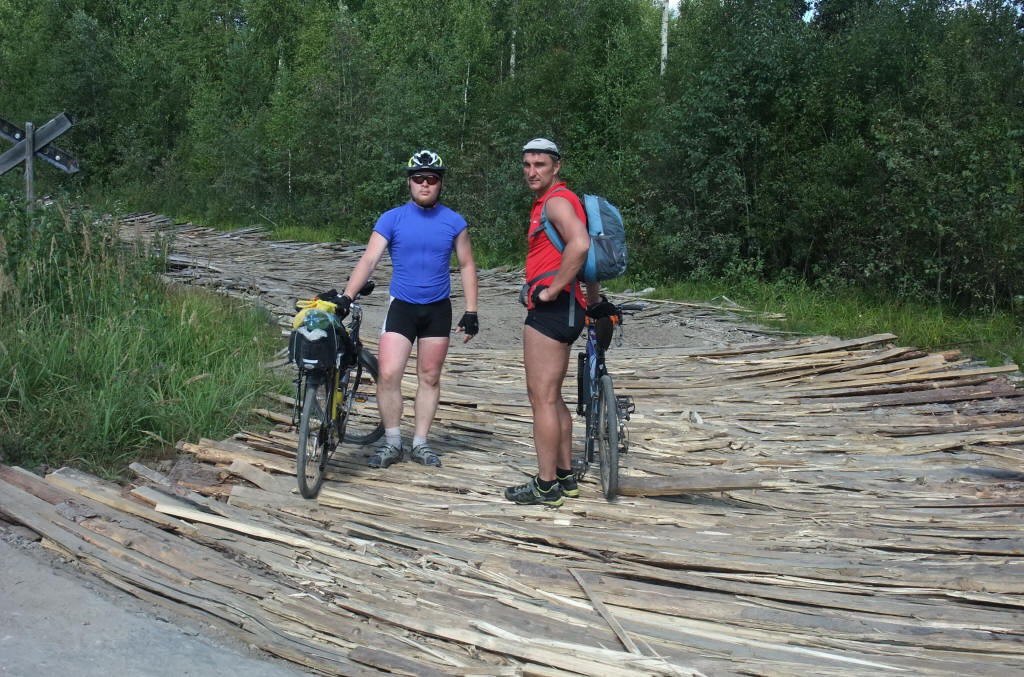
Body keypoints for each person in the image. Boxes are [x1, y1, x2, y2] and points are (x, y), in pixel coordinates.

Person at [337, 149, 479, 469]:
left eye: (431, 179)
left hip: (437, 309)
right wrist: (348, 295)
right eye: (418, 179)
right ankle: (392, 443)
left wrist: (471, 311)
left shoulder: (454, 222)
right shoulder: (392, 218)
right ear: (409, 183)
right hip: (401, 306)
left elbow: (467, 265)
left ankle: (420, 444)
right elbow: (369, 259)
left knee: (429, 377)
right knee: (388, 375)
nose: (425, 184)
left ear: (440, 183)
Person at [505, 138, 618, 507]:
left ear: (557, 167)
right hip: (570, 309)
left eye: (540, 164)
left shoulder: (556, 201)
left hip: (553, 311)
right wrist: (594, 300)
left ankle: (546, 485)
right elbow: (585, 258)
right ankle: (566, 477)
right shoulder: (558, 201)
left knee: (541, 400)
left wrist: (551, 291)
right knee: (553, 400)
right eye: (526, 165)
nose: (532, 171)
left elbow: (581, 246)